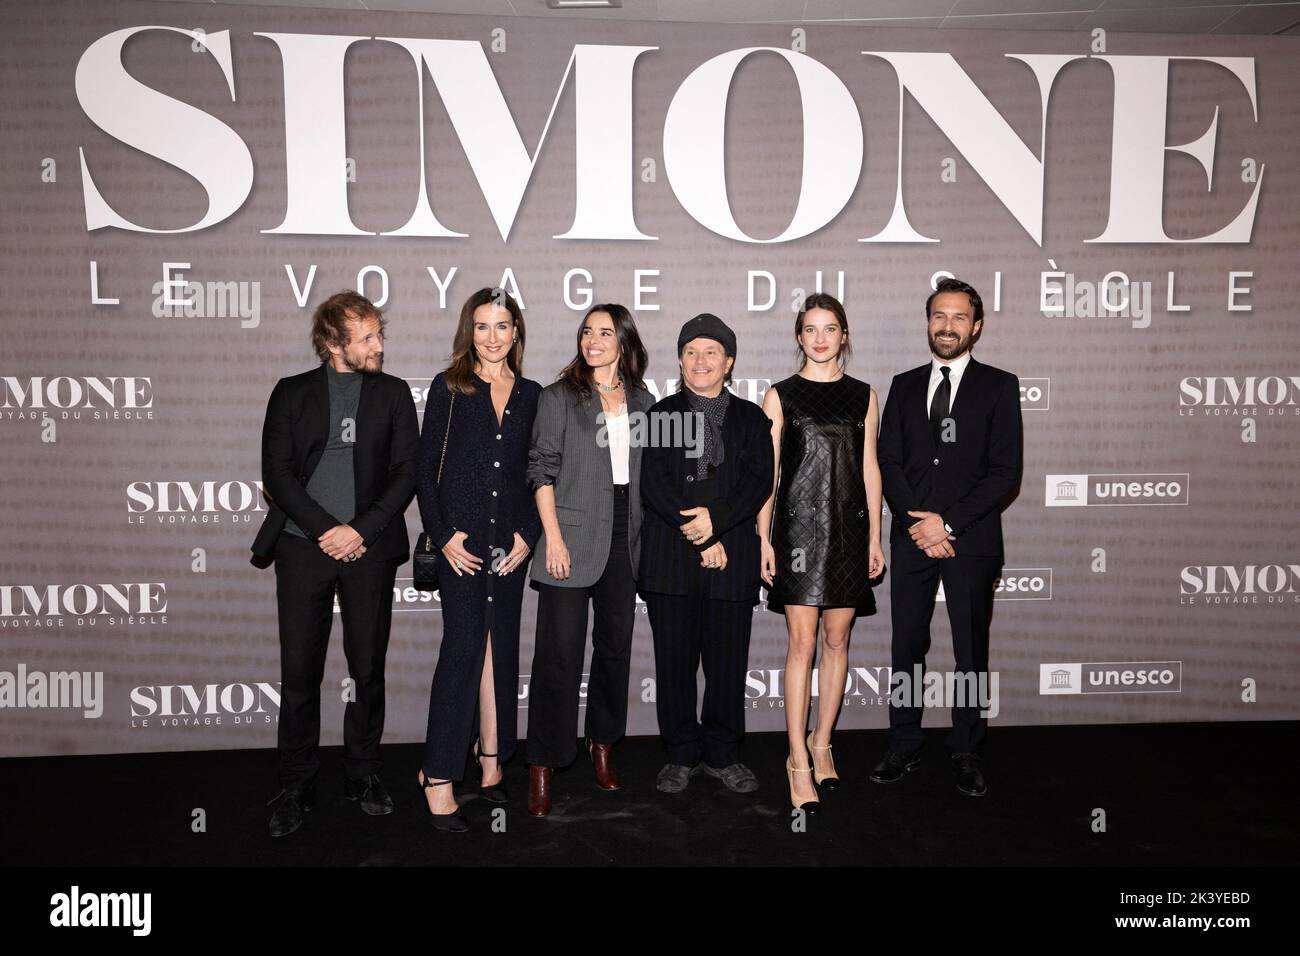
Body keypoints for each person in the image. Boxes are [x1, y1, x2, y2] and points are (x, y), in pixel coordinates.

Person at [251, 290, 419, 838]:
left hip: (369, 550)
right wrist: (327, 530)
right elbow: (276, 474)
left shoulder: (393, 395)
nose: (380, 345)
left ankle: (363, 772)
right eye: (367, 337)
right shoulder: (292, 394)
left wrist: (358, 530)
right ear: (332, 344)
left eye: (379, 333)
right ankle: (296, 782)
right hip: (303, 549)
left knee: (367, 669)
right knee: (299, 672)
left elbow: (406, 472)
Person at [871, 277, 1023, 797]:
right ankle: (903, 742)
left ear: (976, 327)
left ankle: (966, 748)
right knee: (907, 645)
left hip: (971, 539)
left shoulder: (999, 385)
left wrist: (948, 523)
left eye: (959, 317)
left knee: (970, 650)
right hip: (913, 538)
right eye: (940, 316)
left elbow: (1004, 472)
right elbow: (888, 459)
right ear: (928, 322)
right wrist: (920, 525)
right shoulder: (904, 383)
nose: (948, 326)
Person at [414, 288, 540, 832]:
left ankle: (491, 763)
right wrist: (442, 537)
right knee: (464, 648)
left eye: (503, 326)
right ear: (471, 331)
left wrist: (529, 536)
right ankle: (439, 775)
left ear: (516, 332)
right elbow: (424, 471)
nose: (493, 337)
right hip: (460, 546)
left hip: (508, 546)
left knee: (498, 650)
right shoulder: (450, 387)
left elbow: (539, 472)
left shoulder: (533, 394)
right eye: (483, 326)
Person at [524, 304, 653, 817]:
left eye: (605, 332)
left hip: (627, 535)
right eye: (586, 332)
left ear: (624, 341)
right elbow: (540, 469)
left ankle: (602, 744)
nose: (593, 340)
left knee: (615, 650)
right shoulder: (559, 397)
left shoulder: (645, 402)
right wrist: (552, 537)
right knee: (557, 656)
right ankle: (543, 763)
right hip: (571, 534)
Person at [758, 292, 885, 815]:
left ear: (843, 336)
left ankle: (822, 741)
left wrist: (876, 536)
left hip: (850, 534)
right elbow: (768, 476)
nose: (819, 338)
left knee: (837, 640)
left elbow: (870, 469)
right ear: (798, 337)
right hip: (796, 536)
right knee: (802, 645)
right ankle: (795, 760)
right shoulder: (780, 396)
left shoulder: (864, 395)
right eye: (810, 329)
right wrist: (763, 537)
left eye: (829, 328)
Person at [640, 314, 774, 796]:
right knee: (673, 664)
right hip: (670, 562)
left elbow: (759, 481)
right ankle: (680, 754)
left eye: (712, 352)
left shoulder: (752, 419)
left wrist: (716, 523)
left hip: (733, 559)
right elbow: (653, 484)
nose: (701, 361)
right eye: (691, 352)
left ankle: (721, 753)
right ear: (679, 360)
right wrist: (701, 535)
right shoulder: (659, 416)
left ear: (729, 361)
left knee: (726, 665)